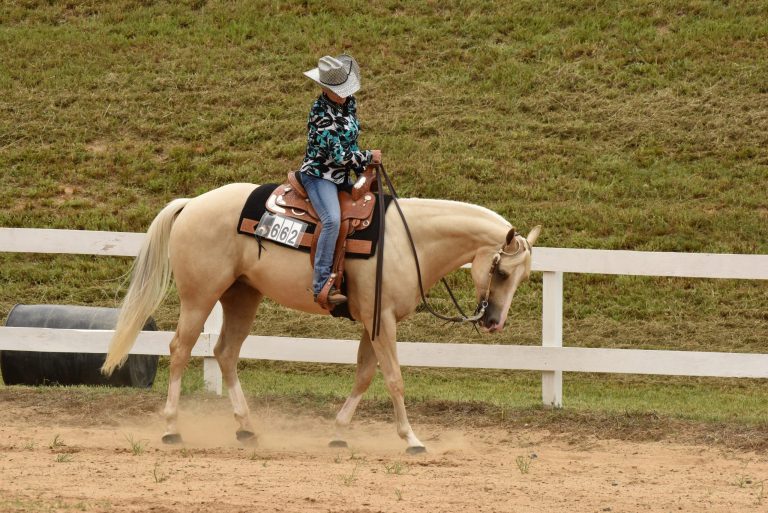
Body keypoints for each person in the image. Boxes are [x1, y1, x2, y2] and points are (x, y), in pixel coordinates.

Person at [300, 54, 381, 307]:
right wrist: (368, 156)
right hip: (319, 176)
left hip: (341, 176)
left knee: (370, 205)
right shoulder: (320, 114)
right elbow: (339, 155)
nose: (344, 94)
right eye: (339, 91)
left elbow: (351, 142)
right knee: (332, 220)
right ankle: (321, 283)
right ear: (325, 88)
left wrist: (362, 170)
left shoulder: (348, 104)